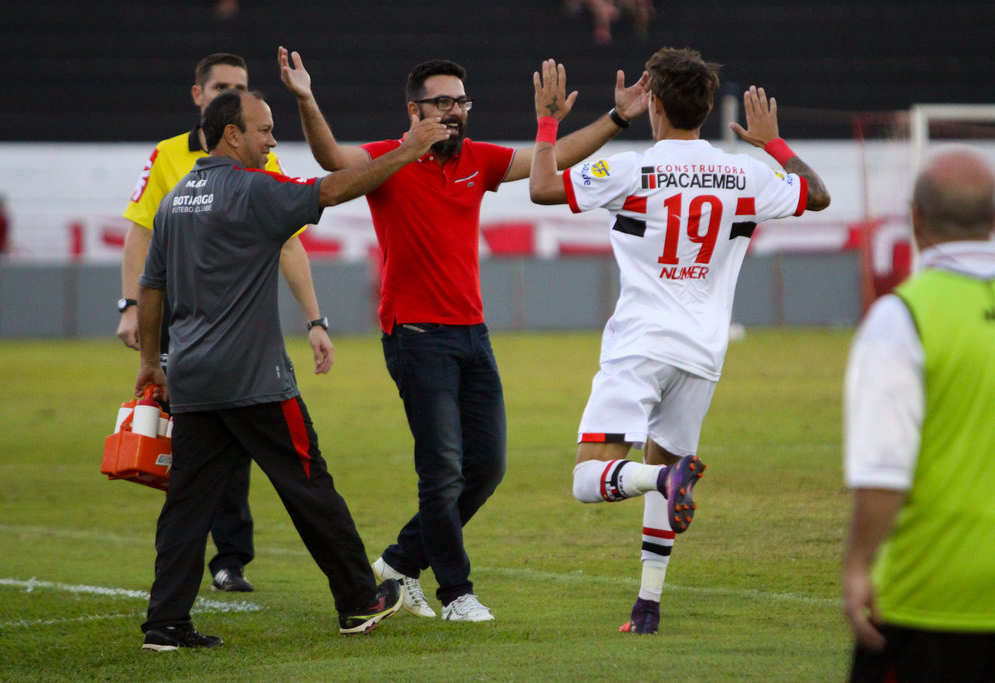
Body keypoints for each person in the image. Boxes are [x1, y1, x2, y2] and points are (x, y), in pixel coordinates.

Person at [279, 47, 651, 622]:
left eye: (461, 101)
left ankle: (401, 562)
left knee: (487, 466)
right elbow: (331, 158)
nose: (455, 111)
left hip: (472, 335)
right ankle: (457, 593)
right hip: (415, 336)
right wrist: (305, 97)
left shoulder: (478, 160)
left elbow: (550, 160)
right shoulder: (390, 157)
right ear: (414, 109)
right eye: (442, 102)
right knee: (442, 470)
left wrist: (619, 118)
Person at [135, 89, 451, 650]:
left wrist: (150, 363)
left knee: (187, 504)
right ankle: (358, 601)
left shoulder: (176, 198)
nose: (272, 140)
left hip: (192, 379)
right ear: (232, 134)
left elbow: (150, 288)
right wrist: (407, 150)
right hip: (254, 378)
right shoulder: (254, 190)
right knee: (311, 488)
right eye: (263, 130)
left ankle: (165, 623)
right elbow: (332, 188)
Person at [529, 48, 830, 634]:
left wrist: (548, 120)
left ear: (655, 106)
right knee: (664, 461)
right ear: (708, 107)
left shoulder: (631, 170)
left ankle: (665, 481)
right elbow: (816, 195)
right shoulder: (744, 176)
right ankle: (647, 607)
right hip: (703, 353)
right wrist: (772, 143)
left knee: (591, 481)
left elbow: (542, 187)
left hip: (640, 346)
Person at [119, 52, 334, 593]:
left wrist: (315, 319)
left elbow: (287, 242)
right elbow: (141, 236)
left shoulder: (261, 164)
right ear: (200, 97)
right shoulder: (169, 157)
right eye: (221, 86)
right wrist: (131, 313)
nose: (228, 92)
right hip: (200, 332)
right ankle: (348, 589)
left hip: (214, 338)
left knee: (208, 464)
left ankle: (218, 567)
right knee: (257, 464)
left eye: (238, 85)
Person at [842, 147, 995, 681]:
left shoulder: (901, 318)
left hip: (928, 595)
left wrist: (859, 563)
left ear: (916, 218)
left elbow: (884, 469)